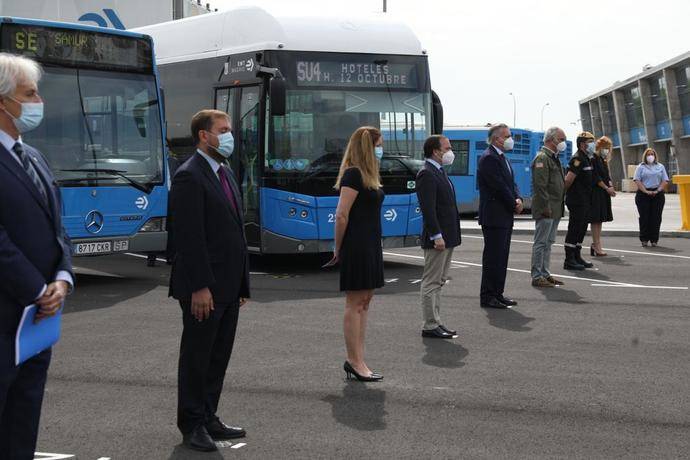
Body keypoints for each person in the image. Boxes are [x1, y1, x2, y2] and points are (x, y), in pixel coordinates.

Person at [0, 53, 74, 459]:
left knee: (23, 424)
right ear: (2, 102)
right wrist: (36, 289)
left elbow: (58, 228)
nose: (38, 102)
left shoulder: (35, 157)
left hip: (36, 325)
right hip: (11, 314)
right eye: (29, 94)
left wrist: (63, 279)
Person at [169, 109, 249, 452]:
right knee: (197, 357)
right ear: (204, 135)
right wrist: (200, 286)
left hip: (229, 284)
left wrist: (243, 285)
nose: (229, 135)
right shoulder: (190, 176)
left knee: (218, 356)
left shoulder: (225, 172)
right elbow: (189, 238)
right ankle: (191, 423)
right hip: (204, 287)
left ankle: (209, 415)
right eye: (224, 129)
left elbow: (235, 232)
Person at [333, 126, 385, 382]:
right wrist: (337, 247)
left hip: (370, 244)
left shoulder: (368, 174)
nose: (381, 150)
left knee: (365, 302)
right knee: (355, 304)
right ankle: (354, 361)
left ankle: (359, 359)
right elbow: (342, 214)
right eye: (379, 145)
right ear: (369, 147)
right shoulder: (353, 174)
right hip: (357, 245)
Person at [416, 135, 462, 338]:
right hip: (438, 238)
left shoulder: (439, 171)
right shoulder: (427, 173)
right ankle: (430, 324)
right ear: (436, 151)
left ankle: (437, 321)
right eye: (448, 148)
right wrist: (436, 235)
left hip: (447, 236)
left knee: (439, 281)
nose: (451, 152)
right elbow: (428, 209)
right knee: (431, 281)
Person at [477, 124, 522, 309]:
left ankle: (498, 293)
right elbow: (498, 186)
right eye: (508, 136)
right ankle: (488, 296)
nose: (511, 139)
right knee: (493, 258)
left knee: (502, 257)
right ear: (497, 139)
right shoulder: (489, 158)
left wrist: (518, 198)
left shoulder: (503, 158)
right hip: (494, 216)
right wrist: (514, 203)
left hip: (504, 216)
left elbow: (511, 183)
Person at [530, 127, 566, 287]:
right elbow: (540, 185)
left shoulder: (553, 157)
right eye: (561, 139)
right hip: (547, 208)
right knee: (541, 242)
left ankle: (545, 273)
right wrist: (545, 206)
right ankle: (537, 276)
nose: (563, 143)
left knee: (549, 242)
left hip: (555, 208)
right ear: (552, 140)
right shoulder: (542, 158)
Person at [563, 131, 596, 270]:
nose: (593, 145)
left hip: (585, 200)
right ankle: (569, 259)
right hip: (577, 200)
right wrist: (563, 194)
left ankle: (577, 256)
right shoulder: (577, 159)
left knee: (581, 229)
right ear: (582, 144)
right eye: (590, 142)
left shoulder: (587, 157)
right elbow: (568, 180)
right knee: (575, 228)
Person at [633, 148, 669, 247]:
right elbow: (637, 180)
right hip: (643, 194)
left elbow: (665, 180)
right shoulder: (641, 167)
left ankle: (654, 240)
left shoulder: (660, 166)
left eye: (652, 154)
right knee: (644, 217)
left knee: (656, 218)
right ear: (645, 156)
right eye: (648, 154)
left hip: (658, 194)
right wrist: (646, 191)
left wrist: (657, 190)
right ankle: (644, 239)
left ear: (655, 155)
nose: (650, 156)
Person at [589, 136, 616, 256]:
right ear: (599, 147)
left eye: (608, 148)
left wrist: (611, 187)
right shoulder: (594, 158)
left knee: (600, 220)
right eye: (605, 148)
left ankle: (597, 244)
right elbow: (596, 177)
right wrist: (606, 188)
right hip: (596, 192)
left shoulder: (603, 160)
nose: (607, 150)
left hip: (603, 193)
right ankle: (596, 244)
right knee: (595, 219)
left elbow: (607, 176)